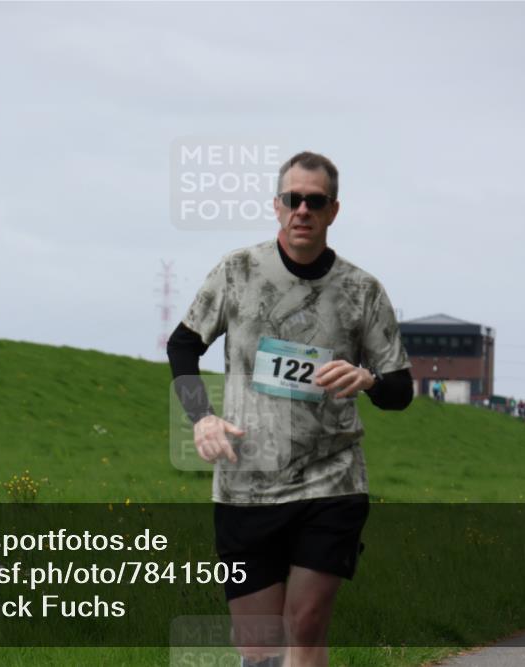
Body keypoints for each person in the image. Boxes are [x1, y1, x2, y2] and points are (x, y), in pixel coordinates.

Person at [168, 151, 414, 667]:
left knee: (303, 630)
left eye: (315, 201)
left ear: (333, 211)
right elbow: (182, 344)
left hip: (332, 481)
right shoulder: (237, 272)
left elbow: (400, 389)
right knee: (259, 649)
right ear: (277, 206)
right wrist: (202, 417)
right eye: (293, 199)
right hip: (246, 483)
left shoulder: (362, 291)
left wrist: (367, 378)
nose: (303, 210)